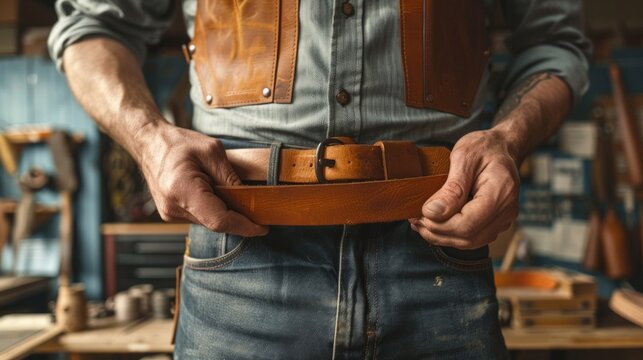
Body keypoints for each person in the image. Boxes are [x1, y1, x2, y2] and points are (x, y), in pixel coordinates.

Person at [48, 0, 590, 358]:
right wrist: (147, 138)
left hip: (437, 250)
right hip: (243, 258)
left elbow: (555, 43)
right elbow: (94, 26)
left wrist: (509, 139)